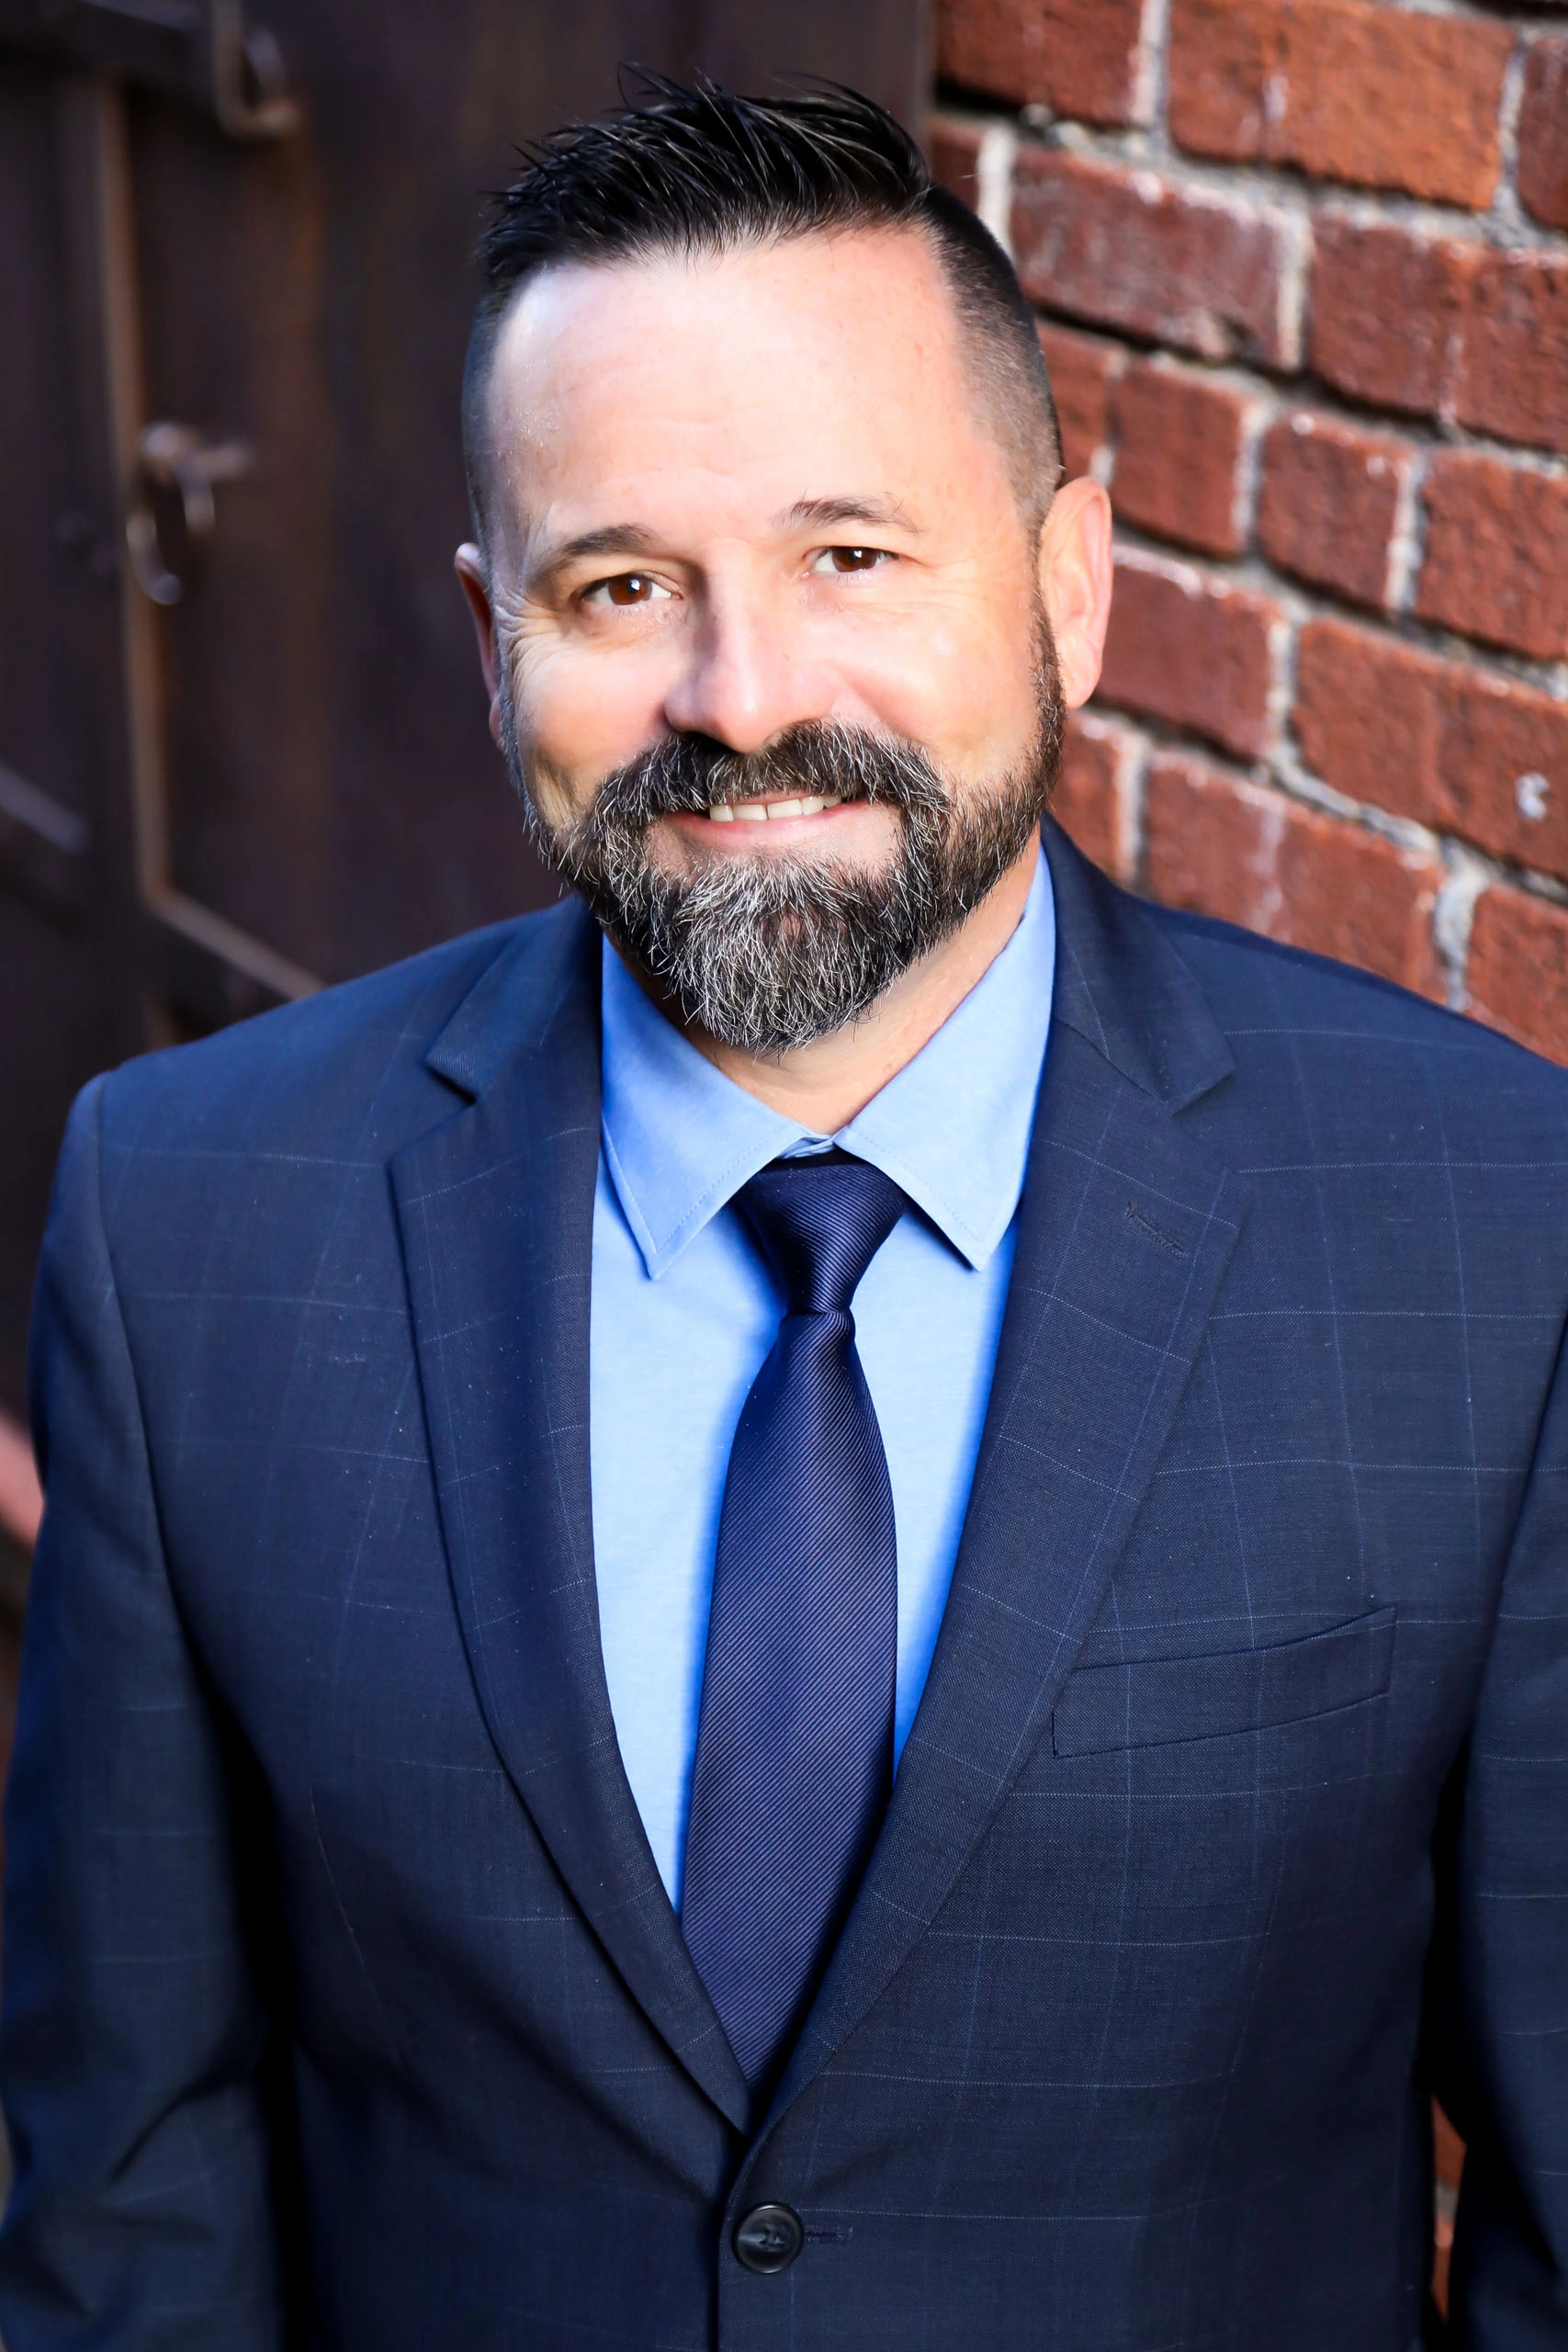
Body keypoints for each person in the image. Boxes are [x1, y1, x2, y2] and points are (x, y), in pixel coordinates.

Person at [1, 76, 1563, 2352]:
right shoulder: (188, 1217)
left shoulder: (1483, 1219)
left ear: (1068, 585)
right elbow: (127, 2188)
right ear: (489, 640)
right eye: (621, 585)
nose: (738, 698)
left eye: (851, 552)